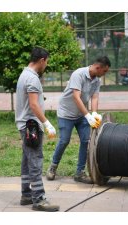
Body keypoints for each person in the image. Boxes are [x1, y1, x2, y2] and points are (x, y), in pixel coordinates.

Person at [46, 56, 111, 184]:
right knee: (64, 141)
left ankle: (80, 173)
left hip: (81, 115)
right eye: (104, 71)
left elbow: (95, 98)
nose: (104, 74)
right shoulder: (78, 74)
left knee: (86, 141)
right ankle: (52, 167)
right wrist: (88, 116)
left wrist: (95, 114)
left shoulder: (97, 80)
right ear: (98, 67)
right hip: (66, 114)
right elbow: (76, 97)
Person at [15, 47, 59, 212]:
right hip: (31, 125)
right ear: (42, 60)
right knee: (35, 159)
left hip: (24, 124)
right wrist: (47, 123)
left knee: (27, 159)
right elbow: (33, 104)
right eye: (46, 62)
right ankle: (39, 199)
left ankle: (26, 194)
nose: (46, 65)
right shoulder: (32, 79)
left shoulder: (24, 75)